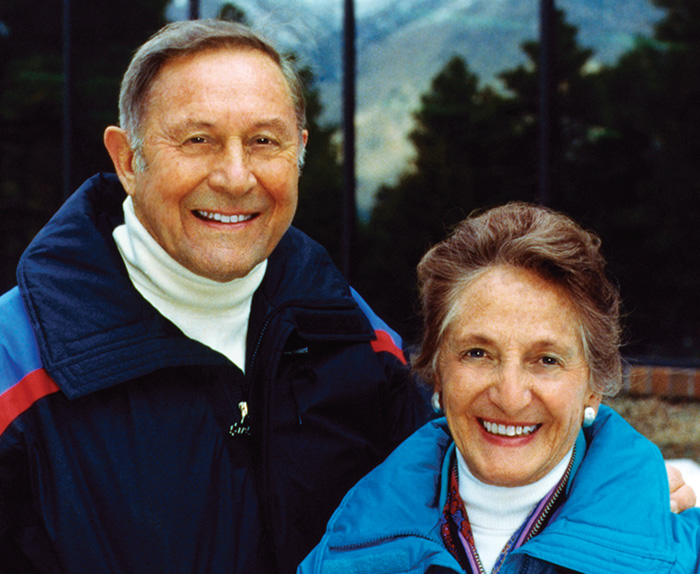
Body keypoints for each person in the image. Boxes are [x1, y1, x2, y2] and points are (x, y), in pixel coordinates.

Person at [0, 20, 430, 573]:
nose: (234, 176)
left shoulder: (363, 343)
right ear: (128, 159)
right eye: (198, 140)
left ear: (299, 151)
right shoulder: (15, 366)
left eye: (263, 142)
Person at [299, 202, 700, 574]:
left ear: (593, 387)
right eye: (477, 353)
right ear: (438, 372)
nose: (509, 397)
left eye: (546, 360)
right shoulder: (344, 552)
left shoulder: (681, 555)